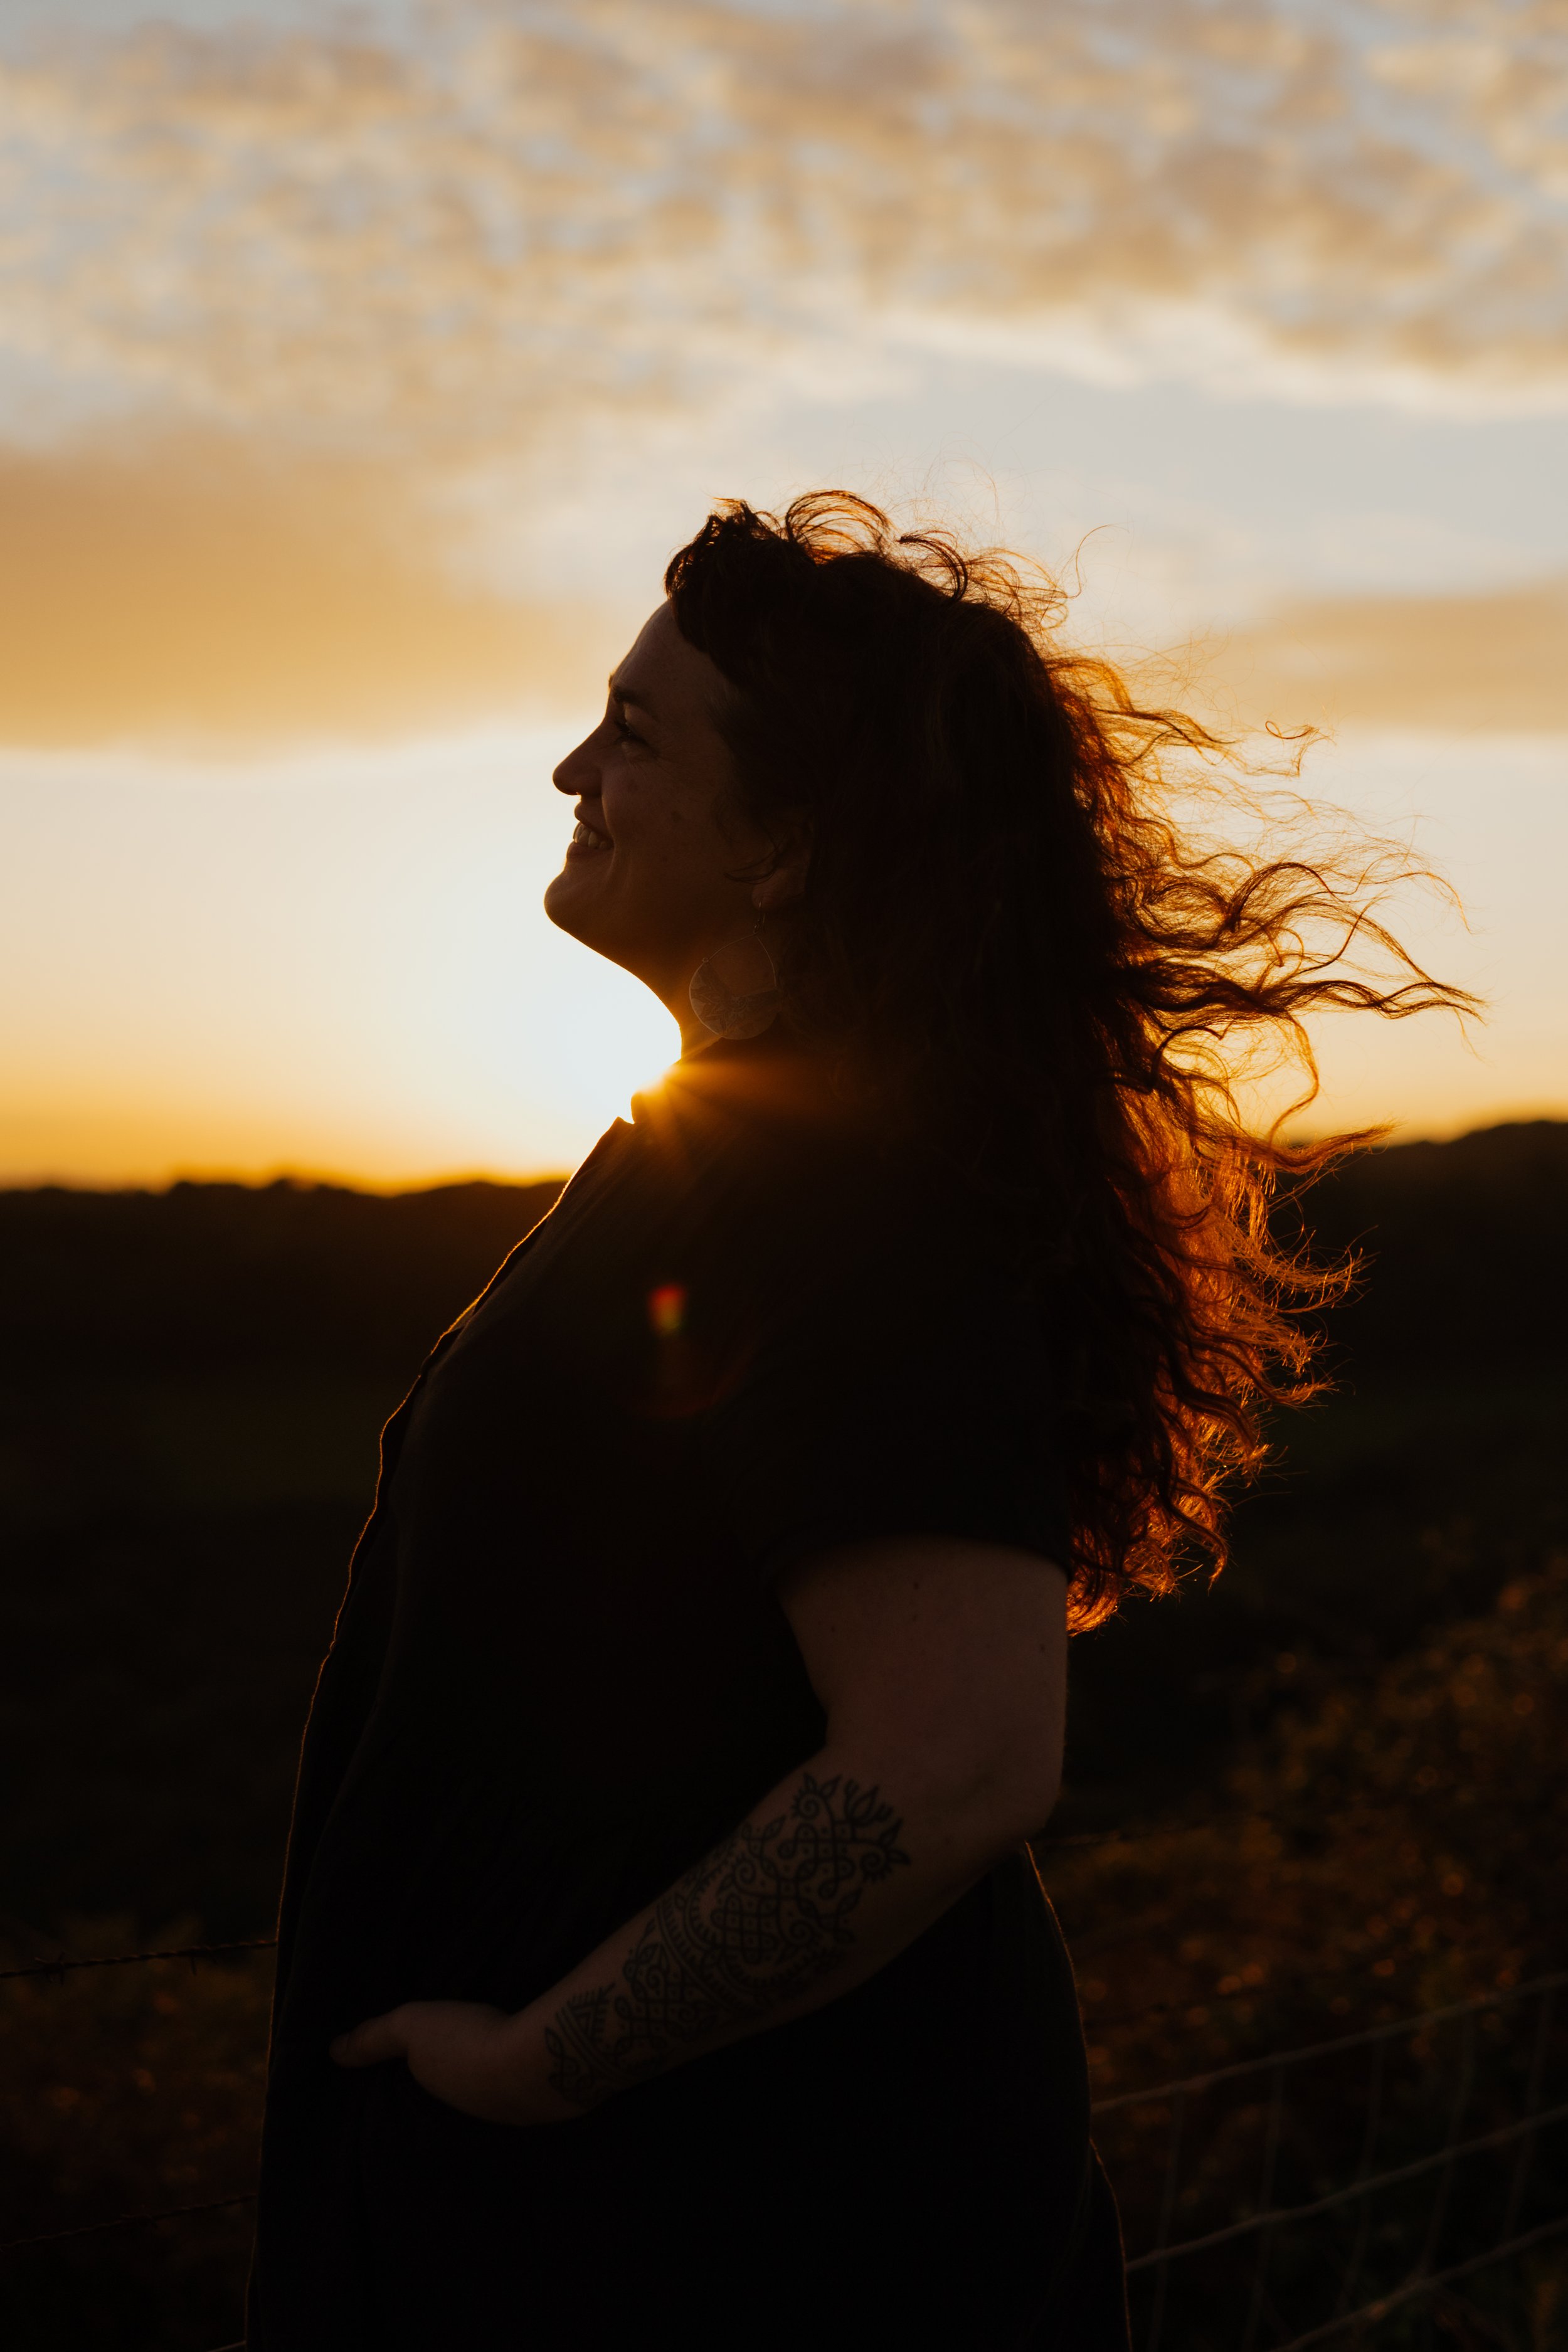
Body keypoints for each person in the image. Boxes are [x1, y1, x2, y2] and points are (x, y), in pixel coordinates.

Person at [246, 495, 1463, 2349]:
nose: (572, 765)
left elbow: (954, 1760)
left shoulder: (839, 1197)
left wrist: (538, 2068)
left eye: (635, 734)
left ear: (791, 846)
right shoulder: (714, 1157)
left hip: (741, 2234)